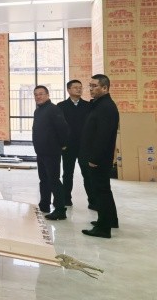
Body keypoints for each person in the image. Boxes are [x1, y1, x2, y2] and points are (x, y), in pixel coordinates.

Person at [80, 74, 120, 239]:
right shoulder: (99, 104)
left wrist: (94, 159)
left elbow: (102, 136)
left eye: (94, 86)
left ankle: (103, 228)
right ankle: (110, 220)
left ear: (105, 88)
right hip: (99, 157)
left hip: (99, 159)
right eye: (90, 86)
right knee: (104, 190)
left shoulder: (106, 107)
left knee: (100, 191)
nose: (91, 89)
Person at [32, 85, 69, 220]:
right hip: (41, 151)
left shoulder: (53, 109)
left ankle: (60, 210)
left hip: (51, 151)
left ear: (47, 95)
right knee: (43, 179)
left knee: (54, 180)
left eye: (41, 94)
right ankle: (44, 204)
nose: (38, 96)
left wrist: (63, 145)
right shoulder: (38, 111)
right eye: (36, 94)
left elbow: (63, 128)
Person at [57, 79, 92, 207]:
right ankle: (66, 199)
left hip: (84, 146)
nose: (79, 89)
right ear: (68, 90)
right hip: (68, 146)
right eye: (75, 87)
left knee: (87, 174)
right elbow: (59, 127)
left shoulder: (88, 106)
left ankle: (93, 201)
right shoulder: (61, 106)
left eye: (80, 87)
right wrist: (62, 143)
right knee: (67, 174)